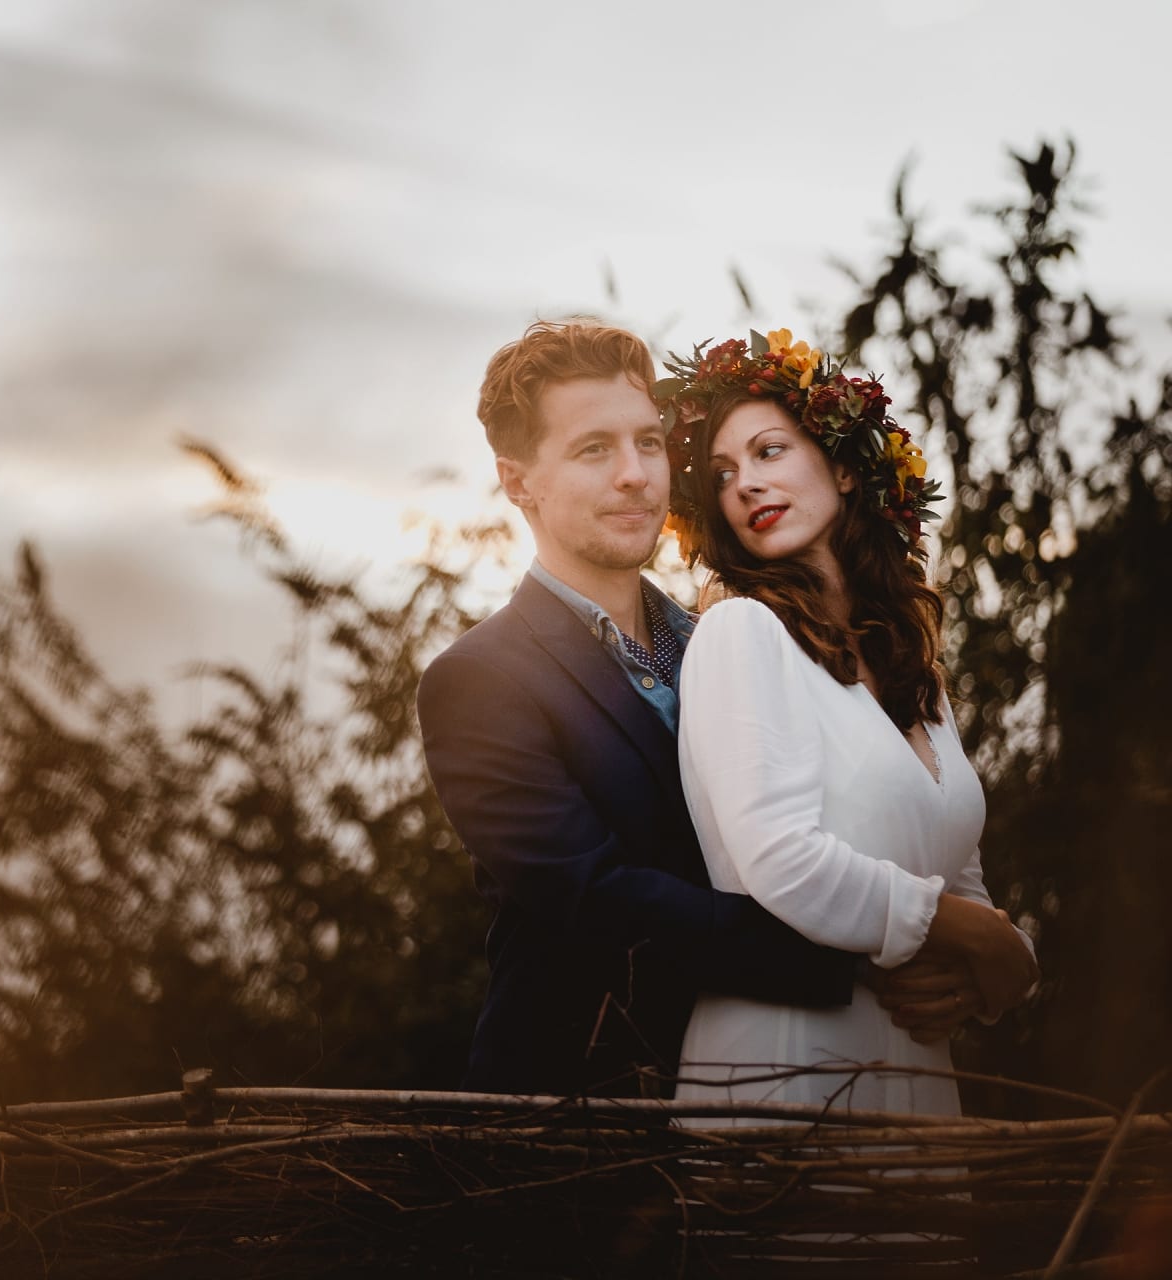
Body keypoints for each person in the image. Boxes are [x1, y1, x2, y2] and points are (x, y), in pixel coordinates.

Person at [415, 319, 971, 1098]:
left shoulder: (734, 636)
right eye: (593, 449)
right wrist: (878, 953)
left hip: (785, 1079)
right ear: (517, 482)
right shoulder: (478, 681)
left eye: (648, 442)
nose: (638, 475)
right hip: (574, 1121)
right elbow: (599, 899)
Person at [658, 329, 1039, 1118]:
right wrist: (971, 936)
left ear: (841, 465)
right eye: (722, 474)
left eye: (769, 451)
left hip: (917, 1075)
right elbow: (781, 860)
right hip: (788, 1071)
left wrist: (987, 974)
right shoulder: (742, 633)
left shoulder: (914, 673)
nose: (744, 486)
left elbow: (960, 872)